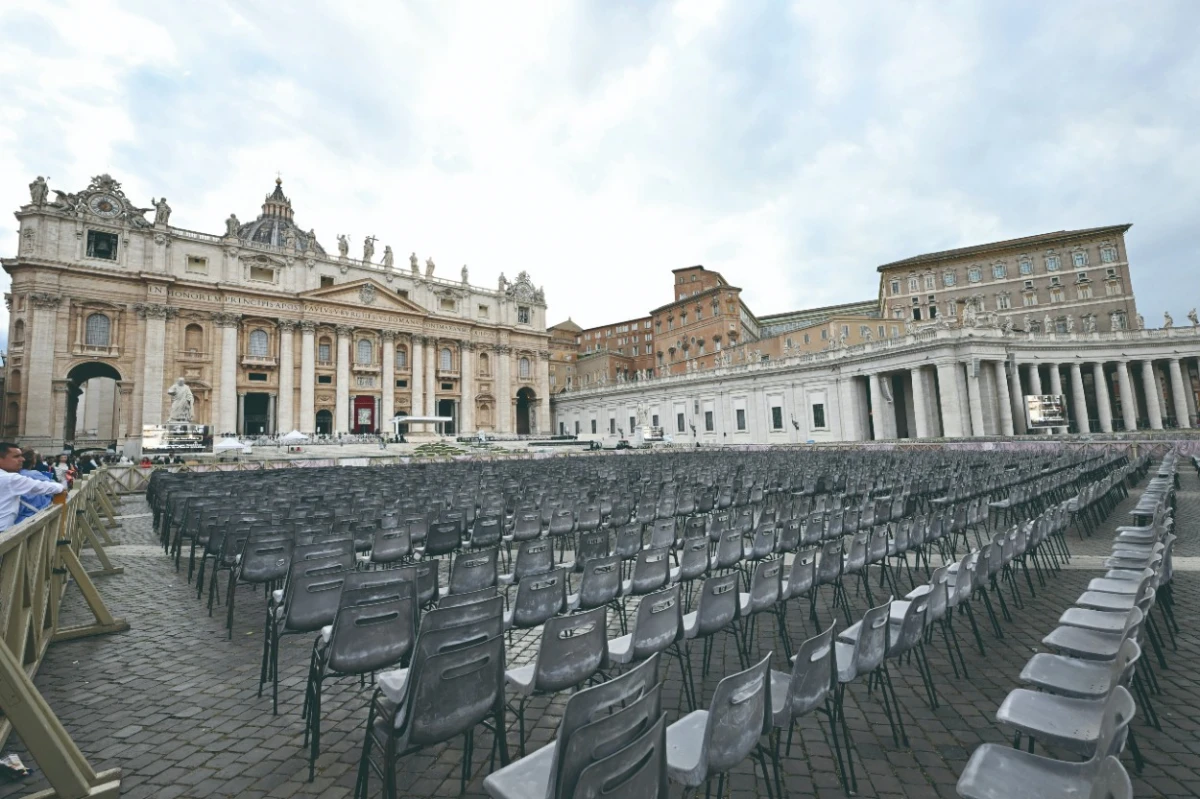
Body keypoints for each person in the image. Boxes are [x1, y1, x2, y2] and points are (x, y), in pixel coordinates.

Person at [0, 443, 65, 531]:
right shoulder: (10, 479)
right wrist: (61, 486)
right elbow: (45, 487)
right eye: (16, 456)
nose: (22, 459)